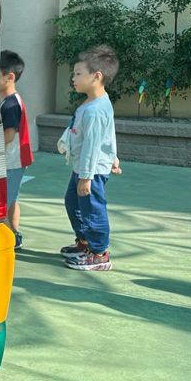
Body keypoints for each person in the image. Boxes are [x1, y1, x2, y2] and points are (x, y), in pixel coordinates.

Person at [57, 44, 122, 271]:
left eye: (78, 74)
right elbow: (107, 134)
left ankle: (99, 254)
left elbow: (93, 146)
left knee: (92, 210)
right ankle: (84, 242)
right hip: (84, 168)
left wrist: (86, 177)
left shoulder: (95, 109)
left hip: (90, 171)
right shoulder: (94, 102)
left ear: (96, 76)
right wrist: (113, 155)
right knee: (73, 202)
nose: (73, 78)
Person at [0, 49, 33, 249]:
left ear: (9, 77)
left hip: (12, 161)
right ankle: (14, 234)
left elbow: (9, 135)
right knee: (12, 200)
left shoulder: (10, 104)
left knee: (3, 202)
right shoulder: (9, 100)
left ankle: (9, 237)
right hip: (15, 160)